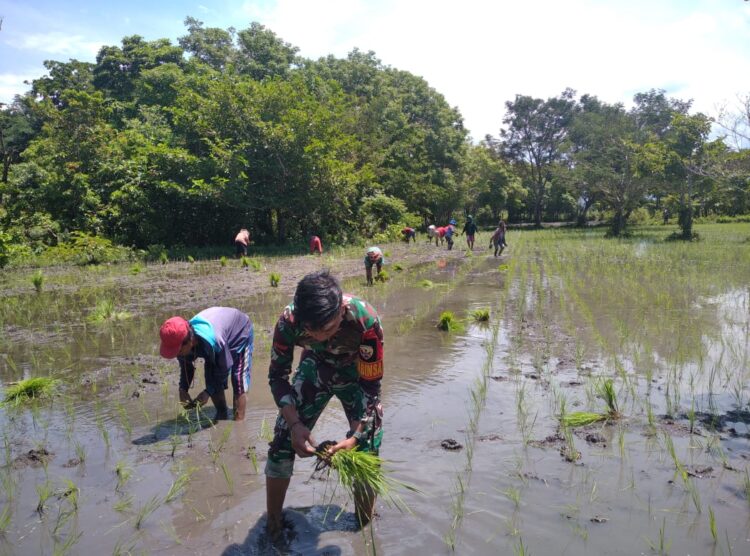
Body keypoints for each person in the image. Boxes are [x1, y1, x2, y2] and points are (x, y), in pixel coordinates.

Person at [265, 270, 384, 535]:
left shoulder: (365, 320)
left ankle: (364, 527)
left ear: (342, 309)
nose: (320, 337)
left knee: (367, 446)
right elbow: (277, 376)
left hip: (356, 373)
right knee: (283, 438)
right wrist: (295, 424)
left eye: (328, 329)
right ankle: (273, 525)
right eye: (311, 331)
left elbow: (371, 389)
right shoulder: (288, 322)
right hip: (316, 366)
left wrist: (356, 435)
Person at [159, 307, 254, 421]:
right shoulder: (181, 340)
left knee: (238, 380)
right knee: (210, 376)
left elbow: (224, 368)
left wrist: (208, 392)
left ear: (189, 341)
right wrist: (183, 389)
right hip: (217, 335)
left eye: (178, 351)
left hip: (239, 331)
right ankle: (221, 415)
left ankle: (239, 422)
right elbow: (187, 367)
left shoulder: (214, 340)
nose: (176, 355)